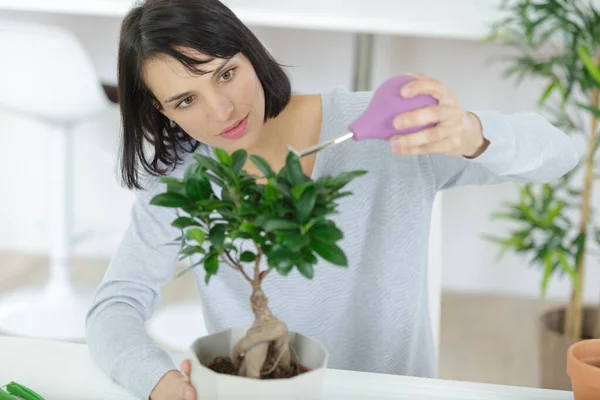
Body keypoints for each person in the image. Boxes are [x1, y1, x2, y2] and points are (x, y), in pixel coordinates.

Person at [85, 0, 579, 399]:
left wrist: (473, 132)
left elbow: (562, 153)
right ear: (162, 111)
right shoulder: (182, 181)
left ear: (249, 52)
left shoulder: (383, 130)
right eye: (185, 100)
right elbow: (114, 308)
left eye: (225, 73)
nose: (222, 110)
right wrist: (158, 382)